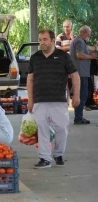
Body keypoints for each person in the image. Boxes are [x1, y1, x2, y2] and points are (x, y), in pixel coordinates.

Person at [27, 29, 80, 169]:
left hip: (58, 100)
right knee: (42, 129)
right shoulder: (35, 57)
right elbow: (30, 79)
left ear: (52, 40)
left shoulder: (63, 56)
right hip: (39, 100)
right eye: (40, 39)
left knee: (62, 128)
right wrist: (30, 100)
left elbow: (75, 76)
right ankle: (45, 158)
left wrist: (76, 95)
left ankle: (58, 153)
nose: (42, 42)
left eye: (45, 39)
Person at [70, 25, 97, 124]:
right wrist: (91, 57)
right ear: (85, 32)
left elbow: (89, 49)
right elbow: (80, 54)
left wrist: (94, 49)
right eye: (89, 33)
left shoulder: (79, 41)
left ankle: (79, 116)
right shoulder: (80, 41)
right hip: (80, 73)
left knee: (83, 94)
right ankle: (78, 117)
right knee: (83, 95)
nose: (89, 35)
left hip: (81, 72)